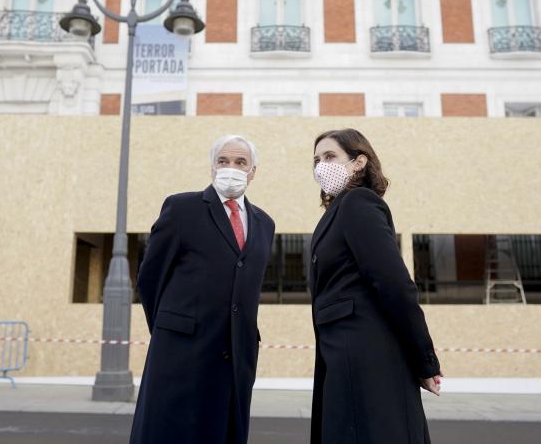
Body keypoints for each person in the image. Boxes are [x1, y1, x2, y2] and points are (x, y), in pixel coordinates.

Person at [130, 135, 276, 444]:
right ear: (212, 167)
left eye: (240, 162)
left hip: (236, 355)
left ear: (253, 172)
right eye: (223, 161)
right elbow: (150, 277)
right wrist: (172, 329)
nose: (231, 168)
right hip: (182, 353)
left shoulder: (265, 223)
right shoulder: (182, 208)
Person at [308, 128, 442, 444]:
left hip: (368, 357)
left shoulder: (358, 203)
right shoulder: (337, 212)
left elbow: (394, 283)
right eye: (315, 160)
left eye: (329, 156)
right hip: (344, 355)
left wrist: (425, 360)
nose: (320, 166)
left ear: (359, 162)